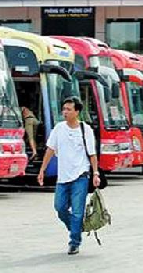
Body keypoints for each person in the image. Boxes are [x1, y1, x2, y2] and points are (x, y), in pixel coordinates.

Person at [37, 97, 100, 255]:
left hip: (81, 176)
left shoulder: (86, 130)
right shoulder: (58, 128)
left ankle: (74, 242)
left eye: (68, 109)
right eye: (64, 109)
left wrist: (96, 173)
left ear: (77, 112)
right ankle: (76, 227)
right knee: (60, 208)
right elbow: (50, 150)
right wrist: (42, 170)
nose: (65, 112)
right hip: (63, 177)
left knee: (78, 211)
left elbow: (92, 154)